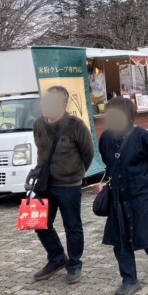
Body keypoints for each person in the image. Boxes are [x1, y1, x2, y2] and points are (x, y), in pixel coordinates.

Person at [97, 97, 148, 295]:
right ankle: (129, 280)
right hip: (117, 196)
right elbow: (107, 161)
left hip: (142, 195)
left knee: (145, 233)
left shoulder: (141, 136)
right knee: (120, 238)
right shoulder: (106, 138)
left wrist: (145, 180)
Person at [32, 86, 94, 284]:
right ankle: (57, 257)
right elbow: (40, 151)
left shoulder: (76, 126)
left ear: (63, 105)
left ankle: (74, 264)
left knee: (72, 227)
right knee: (40, 223)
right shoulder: (38, 124)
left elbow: (88, 153)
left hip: (69, 185)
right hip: (44, 185)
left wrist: (76, 174)